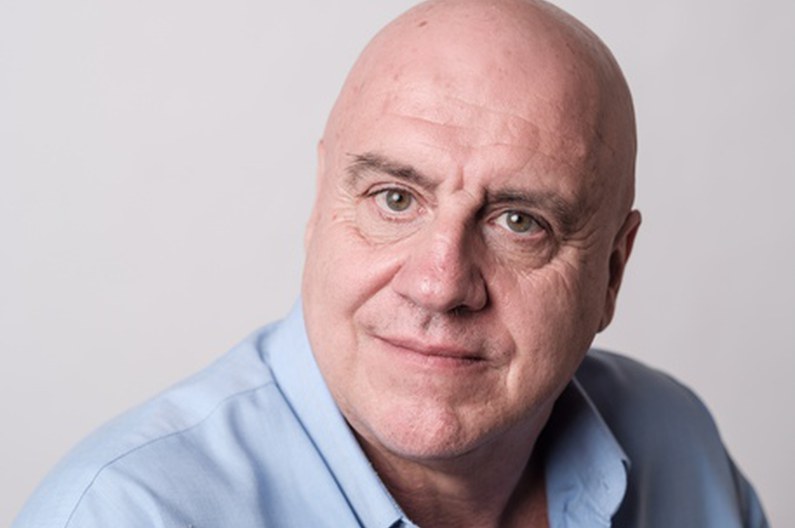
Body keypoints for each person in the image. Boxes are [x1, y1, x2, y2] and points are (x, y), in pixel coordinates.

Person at [13, 0, 768, 526]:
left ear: (611, 273)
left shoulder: (678, 449)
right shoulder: (123, 513)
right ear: (320, 208)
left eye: (519, 222)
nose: (439, 284)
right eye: (395, 199)